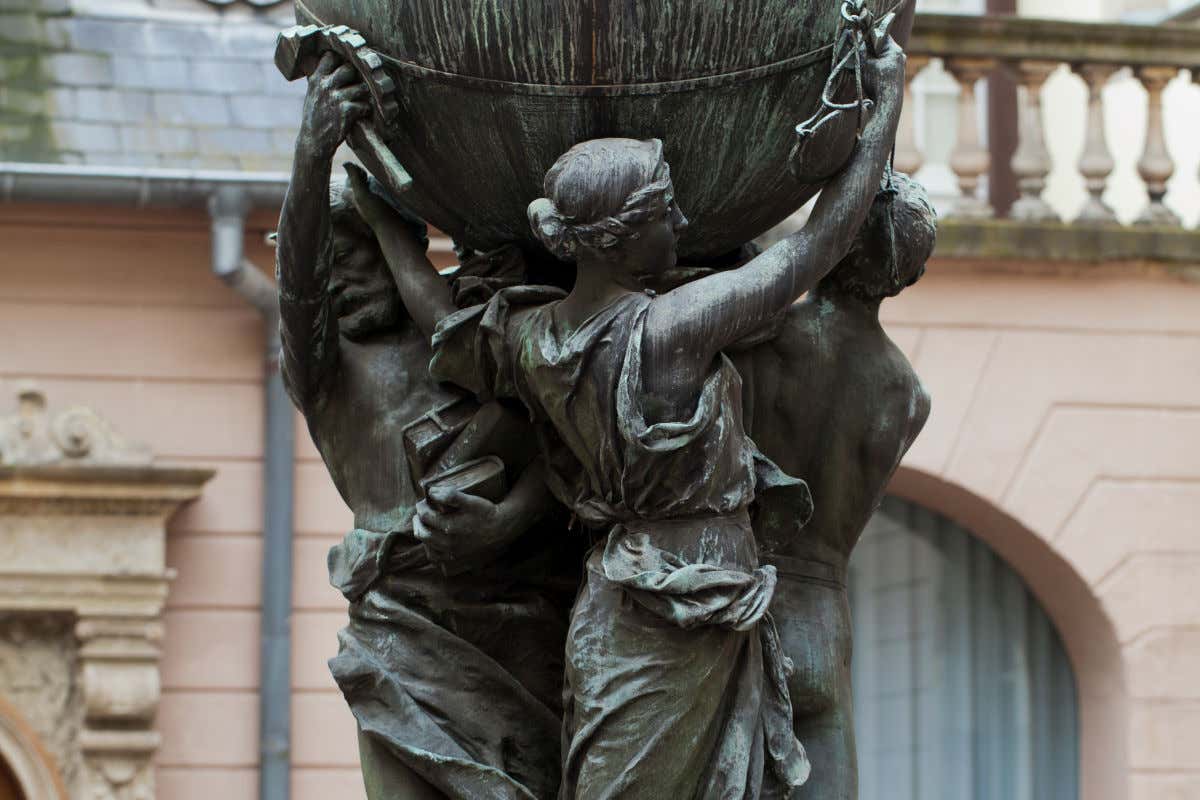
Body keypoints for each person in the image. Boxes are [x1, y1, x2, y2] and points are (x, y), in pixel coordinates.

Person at [375, 33, 906, 798]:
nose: (682, 222)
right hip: (682, 607)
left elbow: (441, 323)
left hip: (631, 601)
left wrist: (390, 237)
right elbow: (815, 247)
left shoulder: (533, 339)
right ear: (620, 240)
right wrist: (885, 104)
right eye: (664, 212)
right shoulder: (671, 331)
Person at [276, 51, 579, 800]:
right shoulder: (329, 373)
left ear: (399, 249)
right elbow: (300, 292)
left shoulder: (469, 342)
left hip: (519, 625)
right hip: (400, 636)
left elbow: (565, 454)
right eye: (327, 268)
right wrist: (313, 155)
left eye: (355, 257)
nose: (339, 282)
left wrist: (506, 522)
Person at [730, 169, 935, 799]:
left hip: (746, 605)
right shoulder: (909, 395)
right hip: (825, 618)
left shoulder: (767, 340)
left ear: (833, 239)